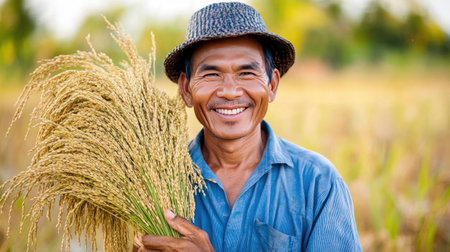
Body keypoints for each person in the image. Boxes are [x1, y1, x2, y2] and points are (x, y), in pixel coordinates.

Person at [134, 2, 361, 251]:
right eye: (211, 74)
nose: (230, 92)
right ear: (186, 89)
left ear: (272, 85)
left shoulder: (317, 182)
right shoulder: (153, 187)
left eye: (246, 73)